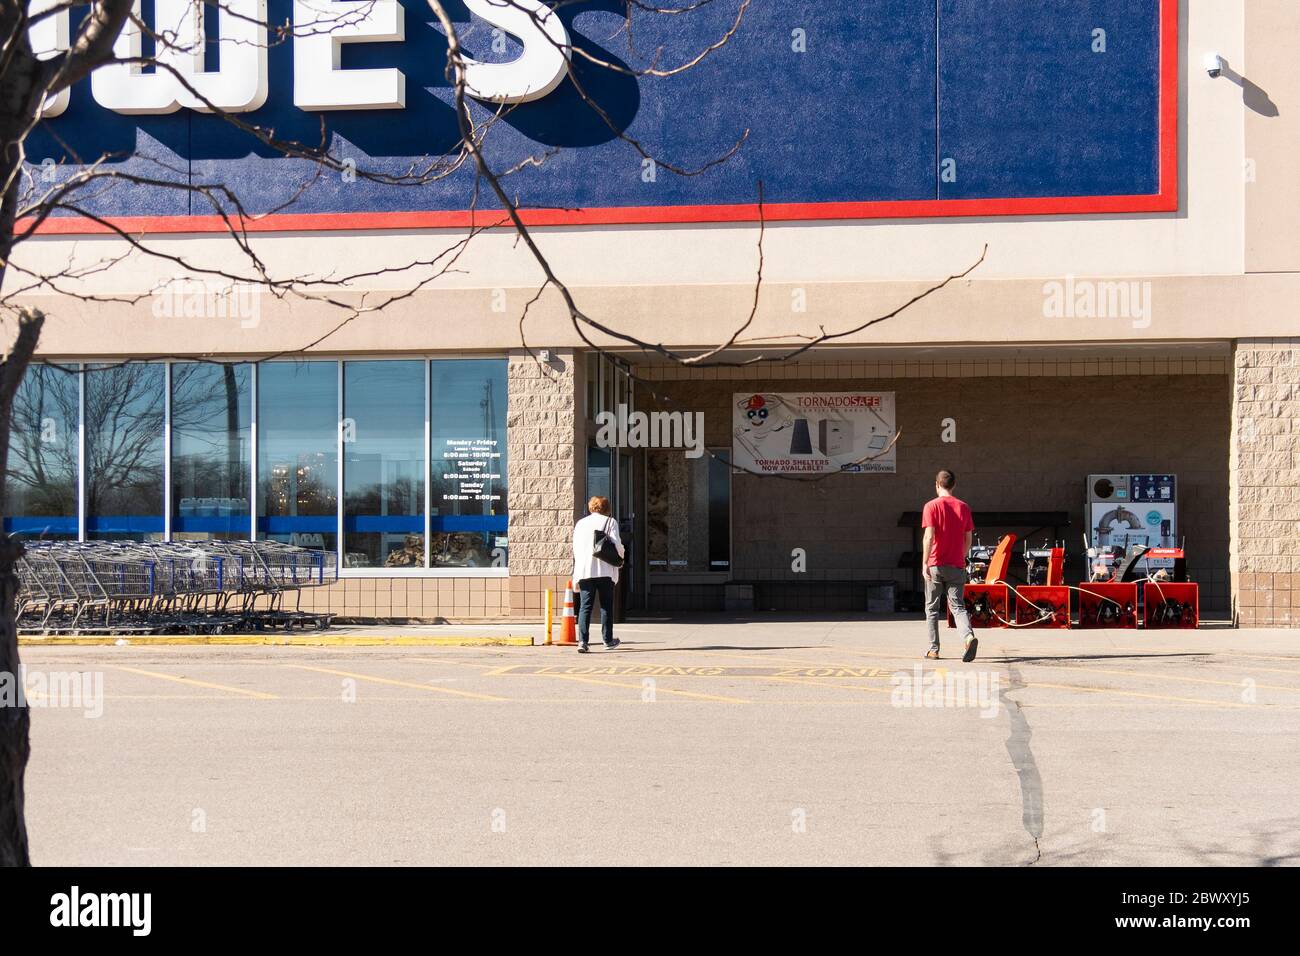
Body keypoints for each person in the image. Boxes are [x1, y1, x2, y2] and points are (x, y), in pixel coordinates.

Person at [921, 469, 977, 662]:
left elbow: (929, 537)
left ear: (937, 485)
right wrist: (960, 556)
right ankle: (968, 637)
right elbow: (968, 538)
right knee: (958, 607)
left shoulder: (931, 506)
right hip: (956, 565)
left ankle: (934, 649)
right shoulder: (964, 507)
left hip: (935, 564)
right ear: (954, 485)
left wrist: (924, 563)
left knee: (932, 608)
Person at [571, 496, 625, 653]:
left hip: (585, 571)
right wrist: (621, 557)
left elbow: (576, 548)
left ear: (591, 507)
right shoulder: (610, 522)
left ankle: (583, 641)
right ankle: (607, 640)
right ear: (607, 508)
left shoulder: (581, 524)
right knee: (606, 606)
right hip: (605, 571)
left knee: (585, 607)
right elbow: (616, 544)